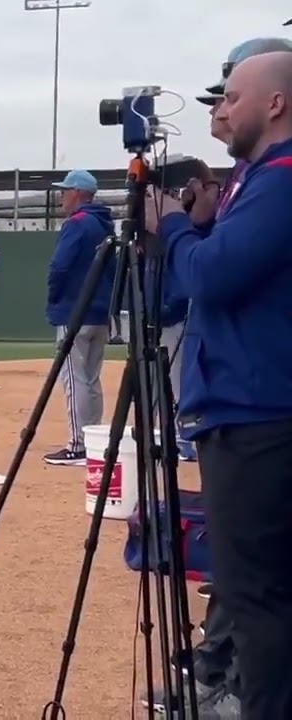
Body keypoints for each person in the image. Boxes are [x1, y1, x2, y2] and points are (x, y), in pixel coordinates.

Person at [148, 48, 292, 720]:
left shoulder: (283, 177)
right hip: (251, 406)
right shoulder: (259, 176)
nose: (220, 109)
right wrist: (203, 225)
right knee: (256, 590)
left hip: (258, 414)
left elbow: (211, 278)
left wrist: (174, 228)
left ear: (275, 103)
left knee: (255, 593)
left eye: (231, 96)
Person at [41, 170, 115, 466]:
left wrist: (55, 297)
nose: (62, 196)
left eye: (65, 191)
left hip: (75, 310)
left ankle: (78, 445)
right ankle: (93, 439)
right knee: (91, 378)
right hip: (100, 312)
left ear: (78, 194)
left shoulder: (77, 223)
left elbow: (59, 266)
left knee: (74, 380)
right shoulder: (104, 224)